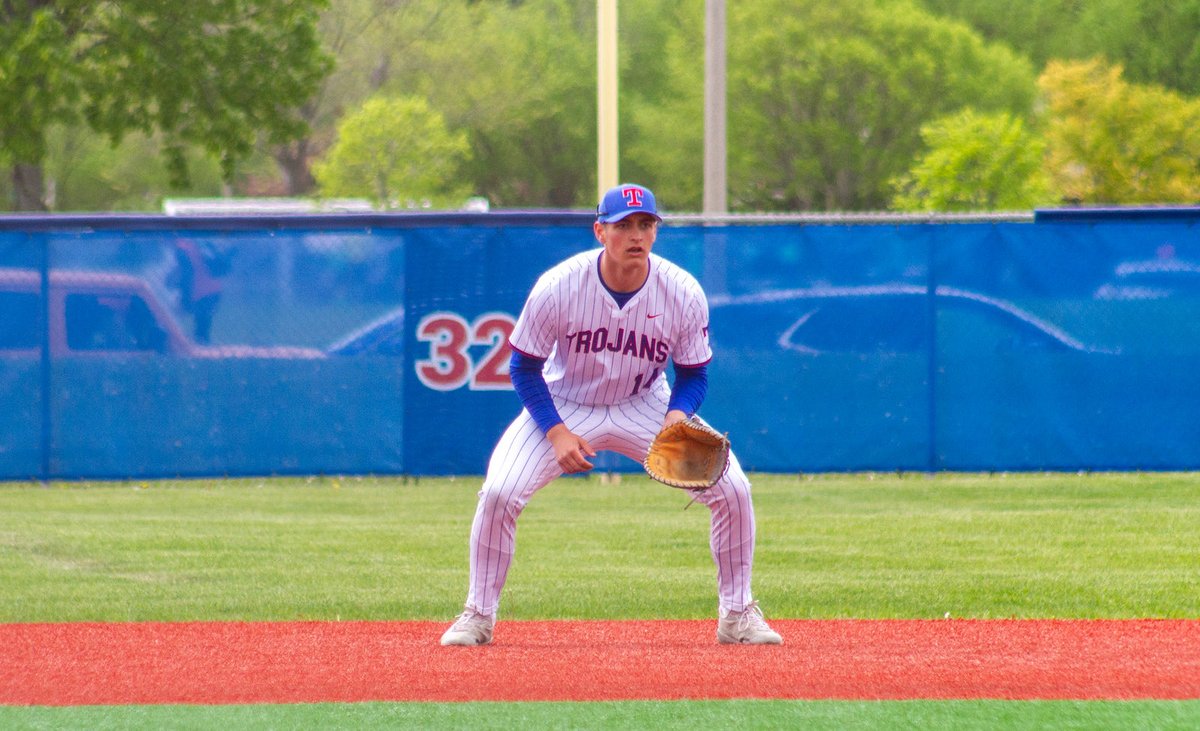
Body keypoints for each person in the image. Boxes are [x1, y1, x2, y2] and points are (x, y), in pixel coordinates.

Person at [440, 183, 782, 647]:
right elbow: (522, 367)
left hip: (645, 404)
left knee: (734, 491)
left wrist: (676, 416)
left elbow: (695, 373)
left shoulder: (681, 290)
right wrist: (557, 433)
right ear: (600, 230)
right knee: (499, 492)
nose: (635, 234)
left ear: (656, 232)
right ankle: (477, 615)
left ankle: (738, 615)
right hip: (565, 404)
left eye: (645, 224)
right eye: (623, 225)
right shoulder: (559, 285)